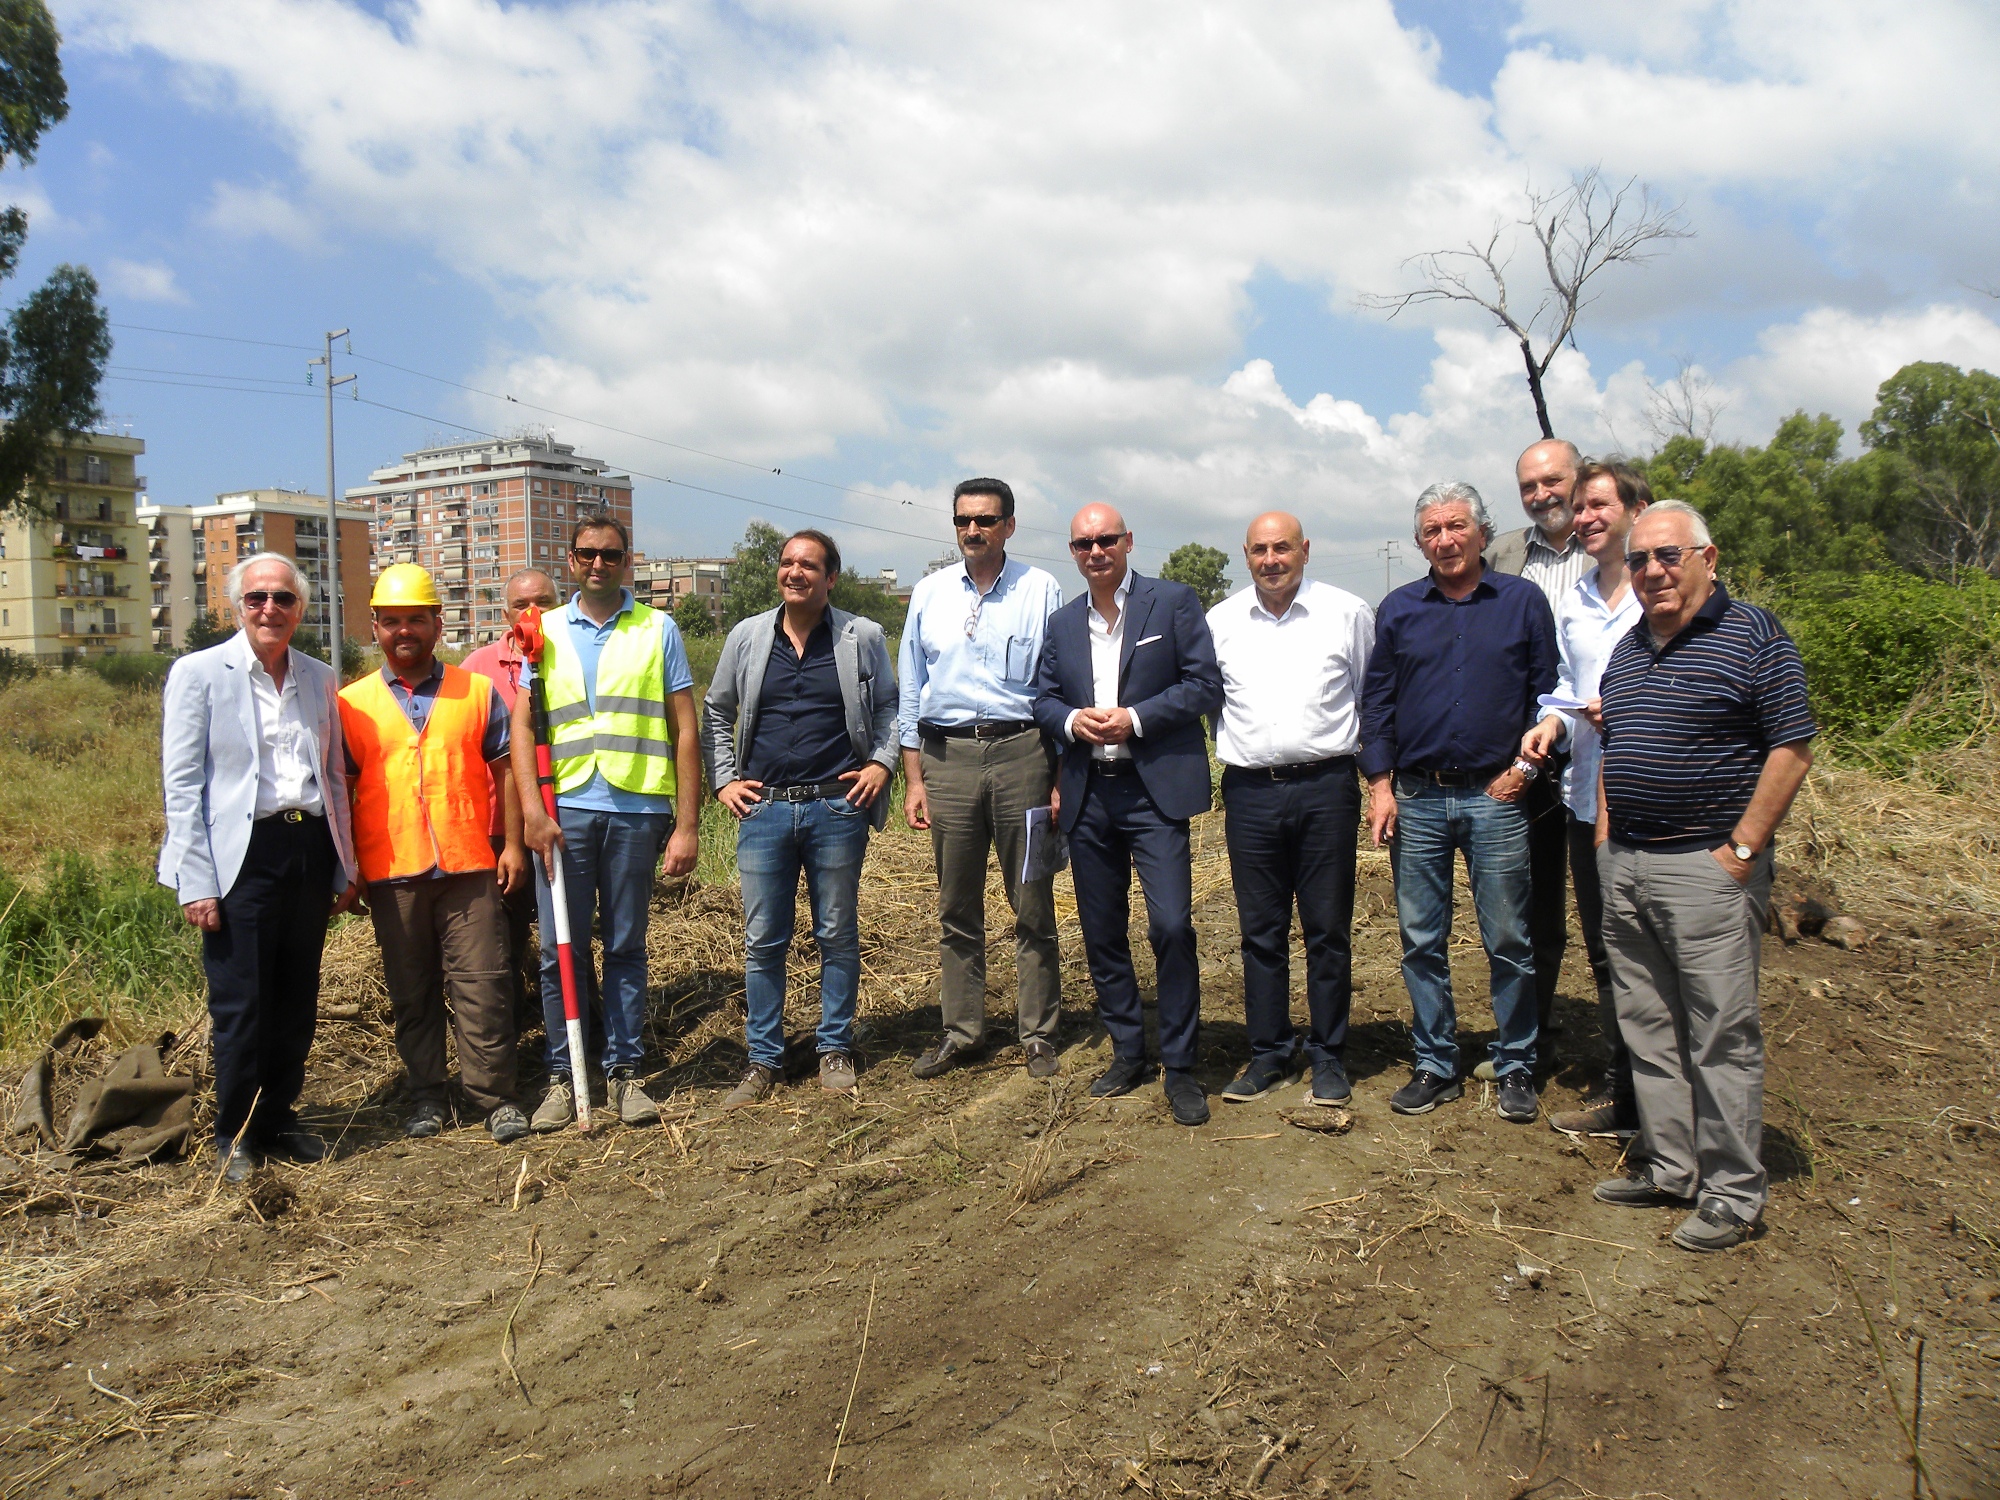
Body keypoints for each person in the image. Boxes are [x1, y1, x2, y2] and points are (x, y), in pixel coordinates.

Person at [1590, 500, 1815, 1253]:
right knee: (1649, 1025)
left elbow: (1791, 747)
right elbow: (1613, 743)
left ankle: (1732, 1193)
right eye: (1641, 559)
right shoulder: (1627, 648)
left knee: (1720, 1030)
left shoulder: (1753, 636)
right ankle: (1671, 1165)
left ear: (1707, 559)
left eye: (1668, 556)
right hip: (1627, 864)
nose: (1652, 570)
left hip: (1707, 869)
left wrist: (1743, 851)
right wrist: (1603, 837)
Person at [158, 553, 359, 1185]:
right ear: (237, 607)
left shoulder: (320, 676)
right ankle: (235, 1133)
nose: (269, 609)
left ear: (300, 608)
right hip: (238, 859)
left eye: (282, 598)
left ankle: (279, 1116)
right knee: (242, 1003)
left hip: (306, 851)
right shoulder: (199, 674)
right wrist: (197, 880)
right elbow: (183, 783)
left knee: (297, 997)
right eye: (256, 599)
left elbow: (330, 775)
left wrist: (342, 863)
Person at [1360, 482, 1556, 1123]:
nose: (1444, 540)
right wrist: (1380, 786)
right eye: (1431, 531)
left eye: (1456, 527)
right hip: (1416, 796)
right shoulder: (1399, 610)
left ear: (1480, 533)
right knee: (1421, 939)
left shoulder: (1522, 603)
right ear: (1420, 542)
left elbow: (1548, 696)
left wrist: (1525, 770)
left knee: (1508, 937)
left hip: (1497, 795)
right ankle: (1436, 1062)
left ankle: (1517, 1062)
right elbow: (1378, 705)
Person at [1033, 504, 1223, 1126]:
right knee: (1102, 931)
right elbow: (1041, 697)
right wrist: (1069, 721)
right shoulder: (1062, 623)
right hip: (1090, 792)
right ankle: (1126, 1050)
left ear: (1128, 541)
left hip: (1151, 791)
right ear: (1073, 551)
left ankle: (1181, 1065)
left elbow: (1202, 685)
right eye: (1084, 542)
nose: (1096, 551)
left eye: (1106, 539)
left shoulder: (1171, 603)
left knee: (1171, 927)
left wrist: (1134, 719)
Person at [512, 514, 702, 1131]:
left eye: (611, 555)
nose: (599, 564)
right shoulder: (540, 631)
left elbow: (685, 730)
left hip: (637, 809)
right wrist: (533, 815)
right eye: (588, 554)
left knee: (624, 945)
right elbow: (523, 728)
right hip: (564, 814)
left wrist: (687, 825)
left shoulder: (658, 628)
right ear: (571, 560)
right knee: (555, 949)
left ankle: (625, 1072)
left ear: (628, 560)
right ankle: (564, 1077)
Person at [702, 530, 899, 1105]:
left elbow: (889, 706)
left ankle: (834, 1046)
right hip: (764, 809)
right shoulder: (747, 637)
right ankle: (764, 1059)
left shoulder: (862, 637)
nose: (795, 573)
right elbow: (717, 710)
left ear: (830, 577)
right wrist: (723, 779)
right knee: (764, 939)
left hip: (837, 807)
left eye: (808, 565)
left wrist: (883, 765)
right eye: (787, 563)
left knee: (836, 931)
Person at [340, 564, 530, 1144]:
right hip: (391, 874)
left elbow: (509, 778)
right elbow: (340, 793)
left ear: (436, 624)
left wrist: (515, 846)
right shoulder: (351, 704)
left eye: (416, 620)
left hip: (470, 867)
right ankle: (427, 1096)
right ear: (375, 627)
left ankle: (493, 1097)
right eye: (392, 621)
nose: (405, 631)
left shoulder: (475, 692)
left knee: (485, 985)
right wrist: (348, 873)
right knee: (412, 989)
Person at [899, 478, 1067, 1080]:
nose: (974, 531)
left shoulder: (1040, 589)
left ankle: (1038, 1032)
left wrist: (1057, 775)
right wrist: (914, 779)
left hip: (1023, 753)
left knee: (1032, 899)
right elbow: (911, 690)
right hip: (948, 761)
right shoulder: (929, 592)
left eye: (987, 521)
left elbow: (1058, 684)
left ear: (1009, 526)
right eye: (964, 520)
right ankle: (962, 1030)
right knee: (956, 906)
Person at [1207, 512, 1374, 1108]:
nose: (1271, 559)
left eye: (1283, 548)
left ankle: (1328, 1056)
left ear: (1306, 550)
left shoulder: (1348, 614)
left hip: (1326, 788)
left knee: (1328, 930)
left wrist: (1378, 783)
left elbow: (1369, 697)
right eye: (1260, 550)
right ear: (1246, 555)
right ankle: (1268, 1052)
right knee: (1261, 931)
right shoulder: (1220, 622)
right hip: (1250, 792)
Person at [1518, 460, 1651, 1136]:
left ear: (1637, 508)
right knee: (1607, 949)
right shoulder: (1577, 601)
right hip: (1586, 802)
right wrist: (1553, 721)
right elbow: (1569, 691)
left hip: (1656, 804)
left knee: (1650, 950)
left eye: (1600, 504)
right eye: (1584, 507)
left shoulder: (1660, 590)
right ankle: (1624, 1090)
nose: (1587, 516)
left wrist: (1623, 705)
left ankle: (1659, 1096)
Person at [1485, 438, 1594, 1069]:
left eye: (1552, 482)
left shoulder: (1614, 548)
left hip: (1600, 748)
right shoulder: (1503, 555)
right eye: (1528, 486)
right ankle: (1534, 1026)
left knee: (1607, 901)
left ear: (1578, 481)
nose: (1541, 496)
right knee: (1532, 899)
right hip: (1526, 754)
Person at [462, 568, 561, 1027]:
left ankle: (578, 1024)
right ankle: (513, 1027)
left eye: (544, 600)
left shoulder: (571, 655)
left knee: (566, 931)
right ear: (506, 614)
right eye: (523, 604)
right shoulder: (476, 669)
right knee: (505, 934)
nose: (533, 612)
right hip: (501, 828)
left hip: (563, 816)